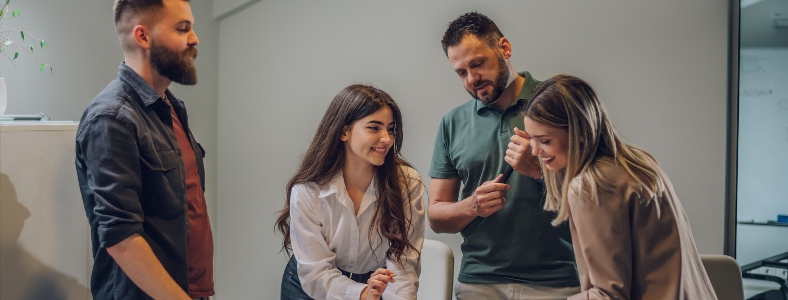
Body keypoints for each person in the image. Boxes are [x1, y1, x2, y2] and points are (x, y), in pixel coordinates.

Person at [427, 11, 581, 299]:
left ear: (504, 48)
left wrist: (539, 170)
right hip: (479, 283)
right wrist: (471, 206)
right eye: (461, 72)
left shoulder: (560, 104)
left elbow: (598, 196)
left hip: (559, 282)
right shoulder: (452, 123)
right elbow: (436, 215)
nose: (472, 79)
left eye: (478, 64)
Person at [522, 74, 719, 300]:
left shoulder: (590, 186)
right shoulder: (640, 163)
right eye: (532, 139)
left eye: (545, 141)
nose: (535, 151)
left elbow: (609, 295)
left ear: (581, 132)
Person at [74, 0, 214, 299]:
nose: (195, 38)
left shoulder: (170, 107)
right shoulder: (111, 118)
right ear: (143, 37)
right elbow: (120, 237)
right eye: (182, 28)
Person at [274, 84, 426, 300]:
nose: (387, 139)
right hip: (311, 286)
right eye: (374, 128)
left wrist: (372, 292)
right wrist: (361, 293)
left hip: (375, 283)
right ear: (344, 131)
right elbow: (316, 274)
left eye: (390, 129)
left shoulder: (407, 183)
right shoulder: (307, 190)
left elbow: (404, 266)